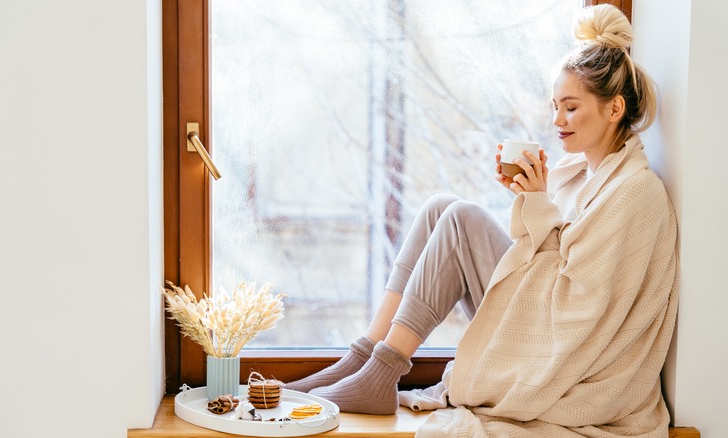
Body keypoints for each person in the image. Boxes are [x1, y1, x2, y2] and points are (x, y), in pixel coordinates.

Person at [285, 4, 679, 436]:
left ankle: (379, 375)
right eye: (554, 106)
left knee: (461, 218)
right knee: (440, 207)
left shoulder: (634, 192)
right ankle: (362, 361)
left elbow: (576, 306)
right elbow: (546, 253)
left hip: (563, 349)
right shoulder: (578, 172)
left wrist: (537, 203)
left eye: (570, 107)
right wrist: (528, 198)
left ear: (614, 108)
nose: (556, 120)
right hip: (542, 316)